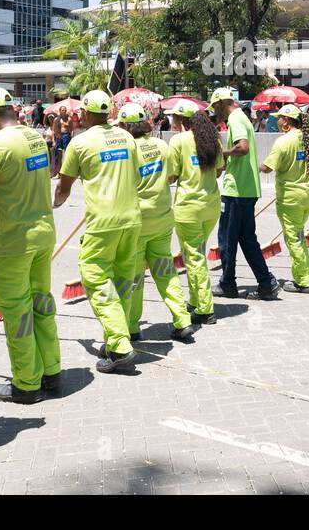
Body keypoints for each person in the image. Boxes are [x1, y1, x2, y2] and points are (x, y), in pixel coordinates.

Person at [0, 87, 61, 402]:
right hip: (43, 233)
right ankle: (52, 371)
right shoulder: (35, 137)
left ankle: (26, 383)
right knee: (41, 304)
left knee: (17, 313)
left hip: (12, 241)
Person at [55, 90, 142, 373]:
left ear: (88, 113)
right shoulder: (127, 138)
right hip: (131, 218)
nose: (79, 115)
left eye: (81, 111)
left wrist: (53, 205)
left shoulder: (79, 144)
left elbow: (63, 187)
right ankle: (119, 334)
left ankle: (119, 345)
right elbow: (136, 175)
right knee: (123, 279)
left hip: (103, 223)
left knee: (94, 275)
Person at [119, 104, 194, 343]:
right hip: (162, 218)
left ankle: (132, 326)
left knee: (135, 276)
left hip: (138, 222)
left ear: (124, 126)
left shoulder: (128, 149)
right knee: (166, 272)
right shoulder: (162, 145)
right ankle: (182, 321)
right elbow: (172, 176)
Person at [211, 87, 279, 301]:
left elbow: (243, 147)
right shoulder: (242, 118)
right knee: (247, 239)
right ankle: (266, 283)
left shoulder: (235, 119)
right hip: (247, 189)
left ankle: (228, 284)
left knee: (227, 239)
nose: (216, 112)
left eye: (216, 107)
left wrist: (224, 153)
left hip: (236, 190)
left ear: (223, 103)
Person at [167, 102, 224, 326]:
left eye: (174, 119)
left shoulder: (178, 141)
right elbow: (219, 170)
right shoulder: (213, 139)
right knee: (196, 254)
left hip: (189, 208)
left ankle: (204, 308)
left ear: (182, 120)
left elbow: (171, 176)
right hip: (210, 205)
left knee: (195, 258)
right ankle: (195, 299)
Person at [261, 105, 309, 293]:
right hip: (308, 195)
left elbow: (267, 168)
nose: (277, 121)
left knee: (293, 239)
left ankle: (303, 281)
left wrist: (255, 166)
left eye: (279, 118)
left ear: (286, 121)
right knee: (298, 234)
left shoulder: (283, 142)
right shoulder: (307, 139)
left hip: (290, 198)